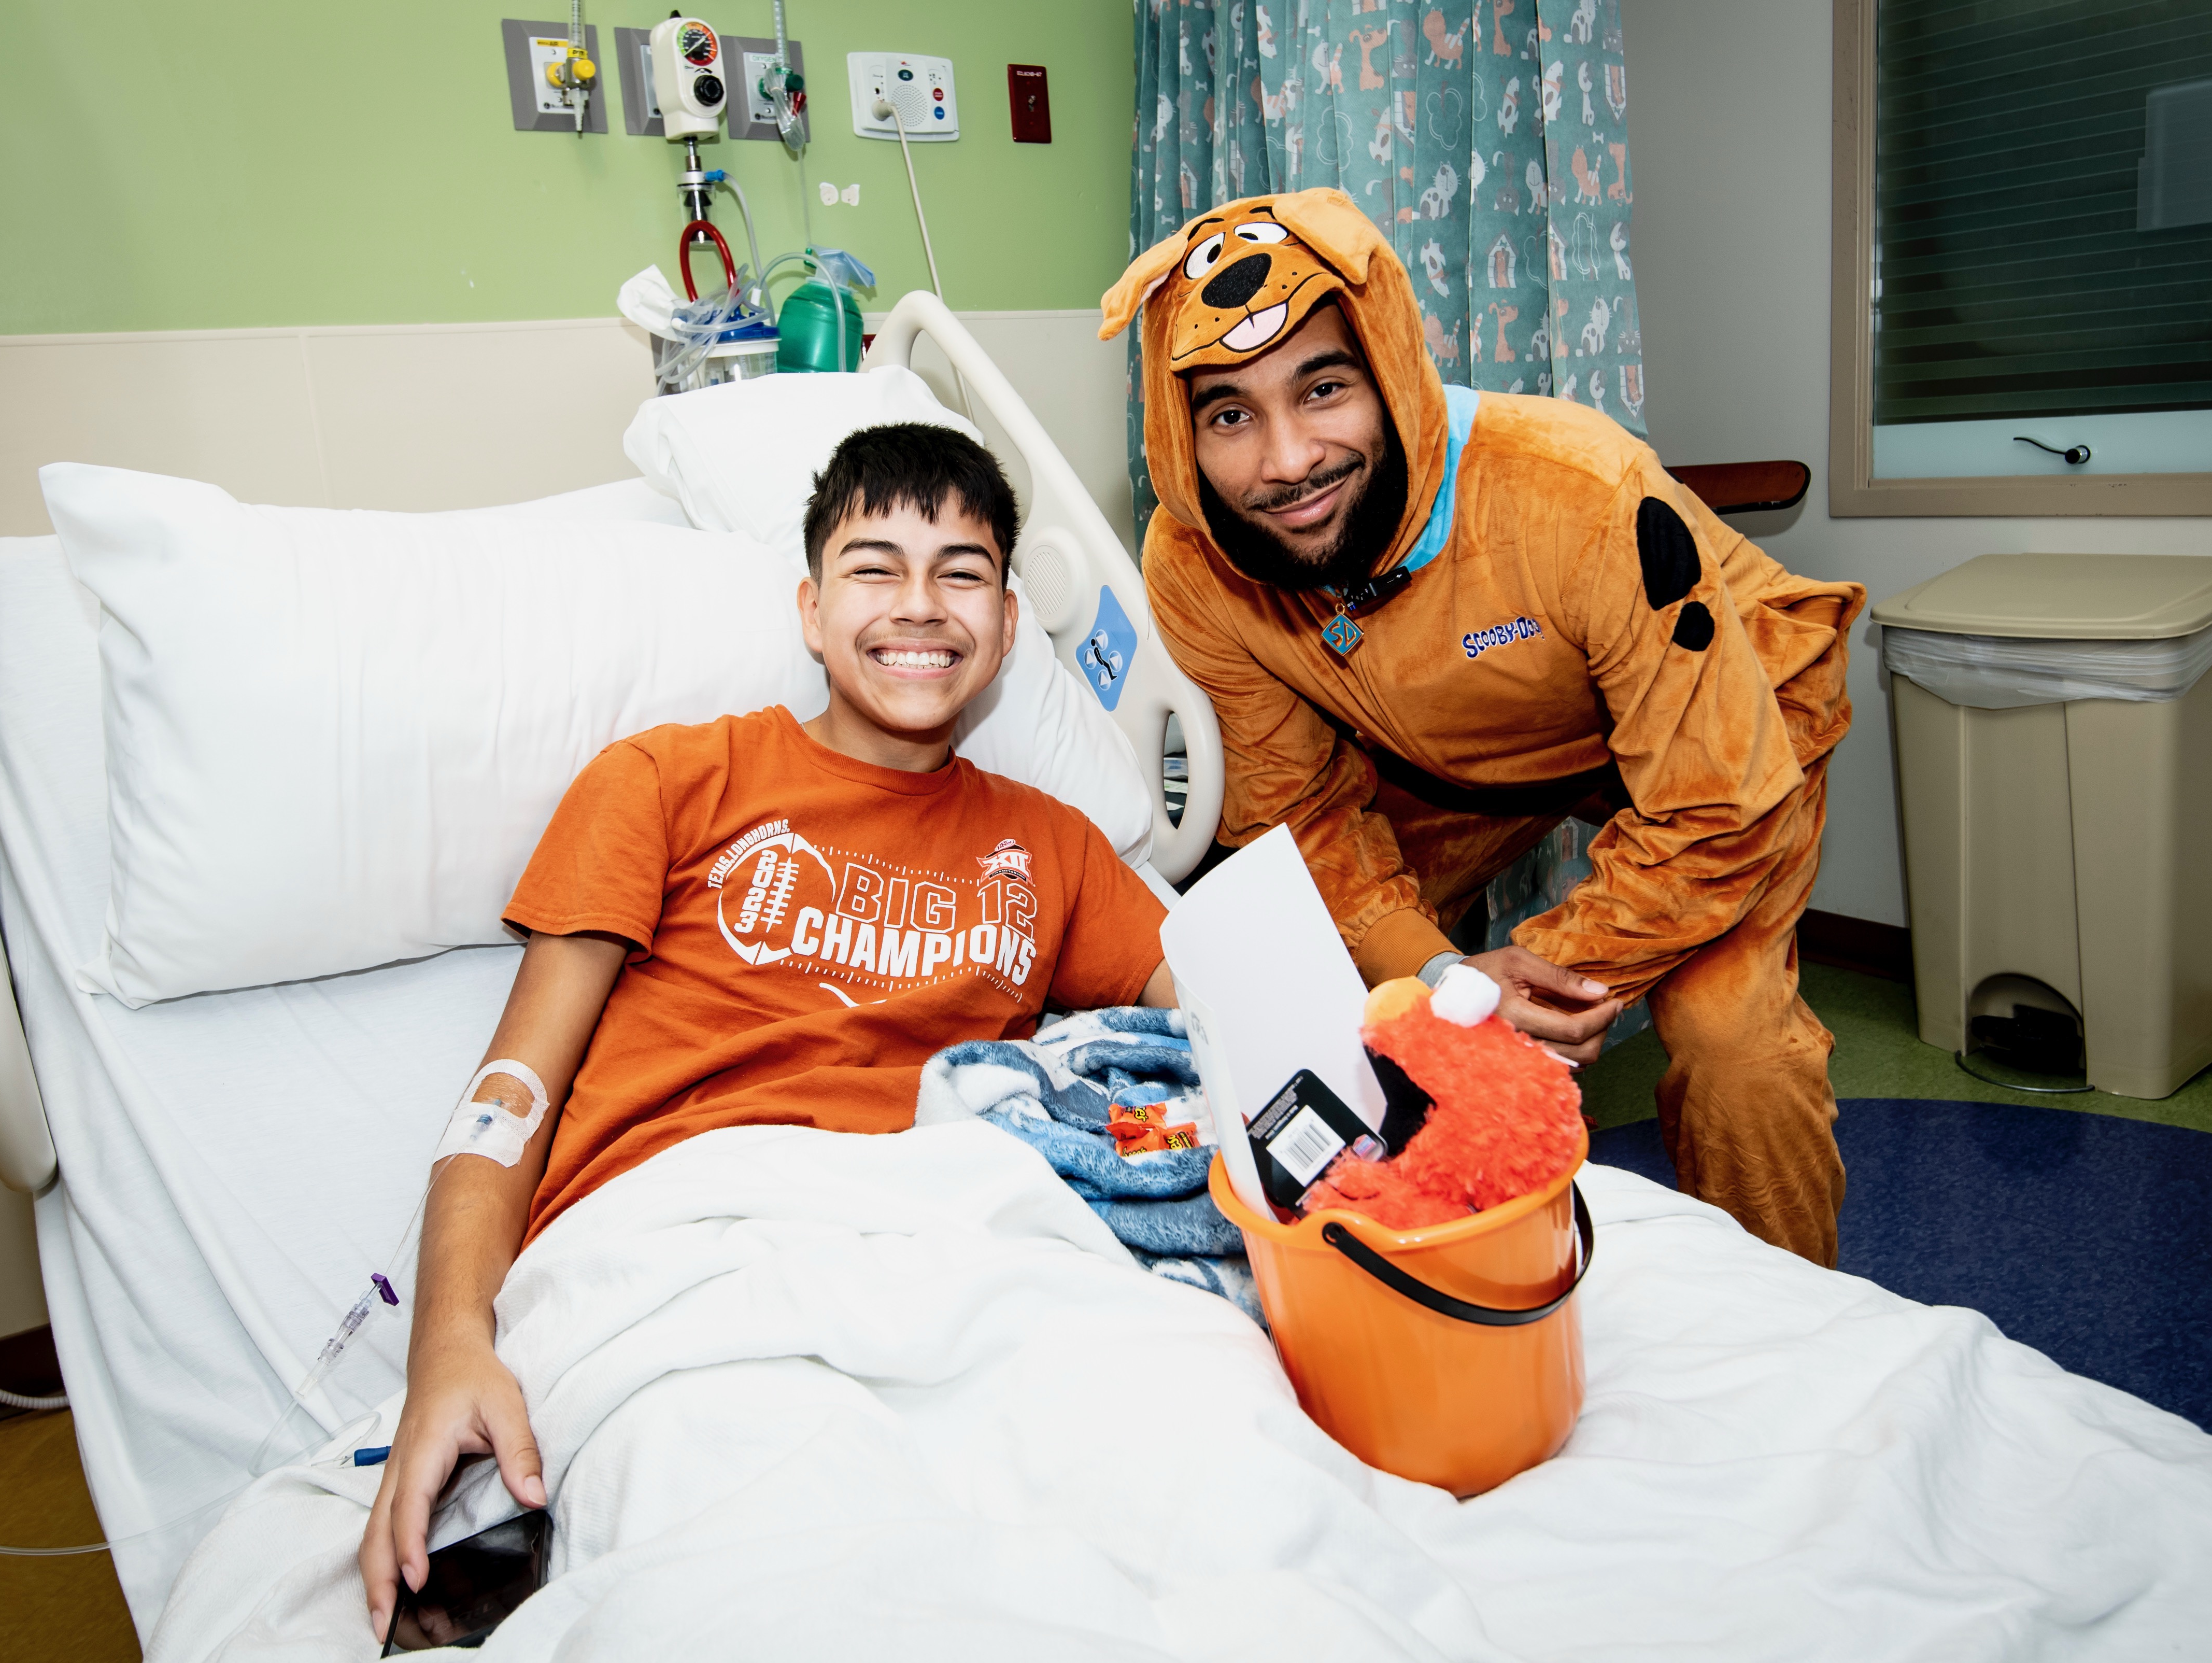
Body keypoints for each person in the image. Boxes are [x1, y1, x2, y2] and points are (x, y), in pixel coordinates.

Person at [357, 423, 1175, 1636]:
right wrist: (449, 1348)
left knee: (1171, 1483)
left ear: (1008, 625)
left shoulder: (1053, 845)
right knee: (779, 1585)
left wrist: (1418, 989)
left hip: (957, 1242)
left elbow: (1231, 1010)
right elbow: (512, 1086)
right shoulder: (670, 782)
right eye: (874, 565)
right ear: (809, 607)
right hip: (690, 1252)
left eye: (962, 571)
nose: (920, 605)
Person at [1099, 190, 1864, 1268]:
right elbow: (1307, 824)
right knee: (1367, 980)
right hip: (1466, 750)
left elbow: (1712, 806)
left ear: (1390, 373)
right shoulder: (1199, 566)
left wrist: (1550, 966)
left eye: (1322, 388)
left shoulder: (1575, 491)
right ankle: (1432, 1248)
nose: (1287, 460)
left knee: (1730, 1031)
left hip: (1723, 735)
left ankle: (1794, 1321)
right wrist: (1455, 983)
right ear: (1182, 438)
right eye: (1230, 414)